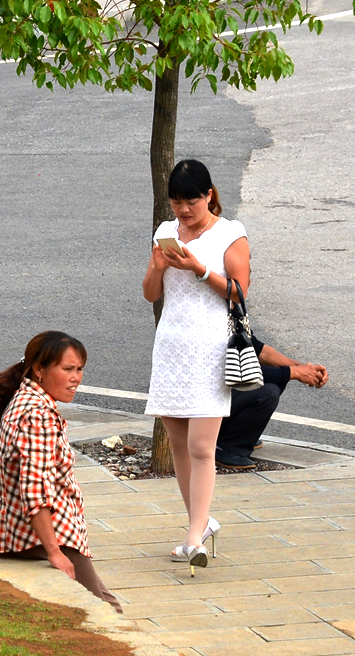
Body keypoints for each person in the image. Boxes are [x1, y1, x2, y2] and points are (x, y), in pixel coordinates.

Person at [141, 159, 250, 575]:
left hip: (211, 347)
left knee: (202, 447)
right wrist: (159, 265)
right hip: (171, 345)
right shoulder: (166, 233)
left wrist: (199, 269)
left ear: (209, 195)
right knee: (180, 446)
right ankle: (200, 524)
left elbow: (240, 293)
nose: (183, 211)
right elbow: (152, 293)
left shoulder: (230, 234)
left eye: (191, 201)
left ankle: (193, 537)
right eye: (176, 202)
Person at [0, 331, 124, 614]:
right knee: (106, 615)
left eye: (80, 369)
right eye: (67, 369)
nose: (76, 378)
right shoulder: (38, 415)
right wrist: (54, 552)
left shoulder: (24, 398)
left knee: (108, 606)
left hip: (21, 533)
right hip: (44, 536)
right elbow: (34, 490)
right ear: (39, 369)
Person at [216, 335, 329, 470]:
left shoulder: (231, 314)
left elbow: (259, 351)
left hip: (217, 392)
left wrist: (305, 369)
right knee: (267, 392)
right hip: (201, 402)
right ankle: (224, 447)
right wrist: (293, 372)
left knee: (276, 379)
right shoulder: (208, 319)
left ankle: (235, 433)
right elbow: (236, 371)